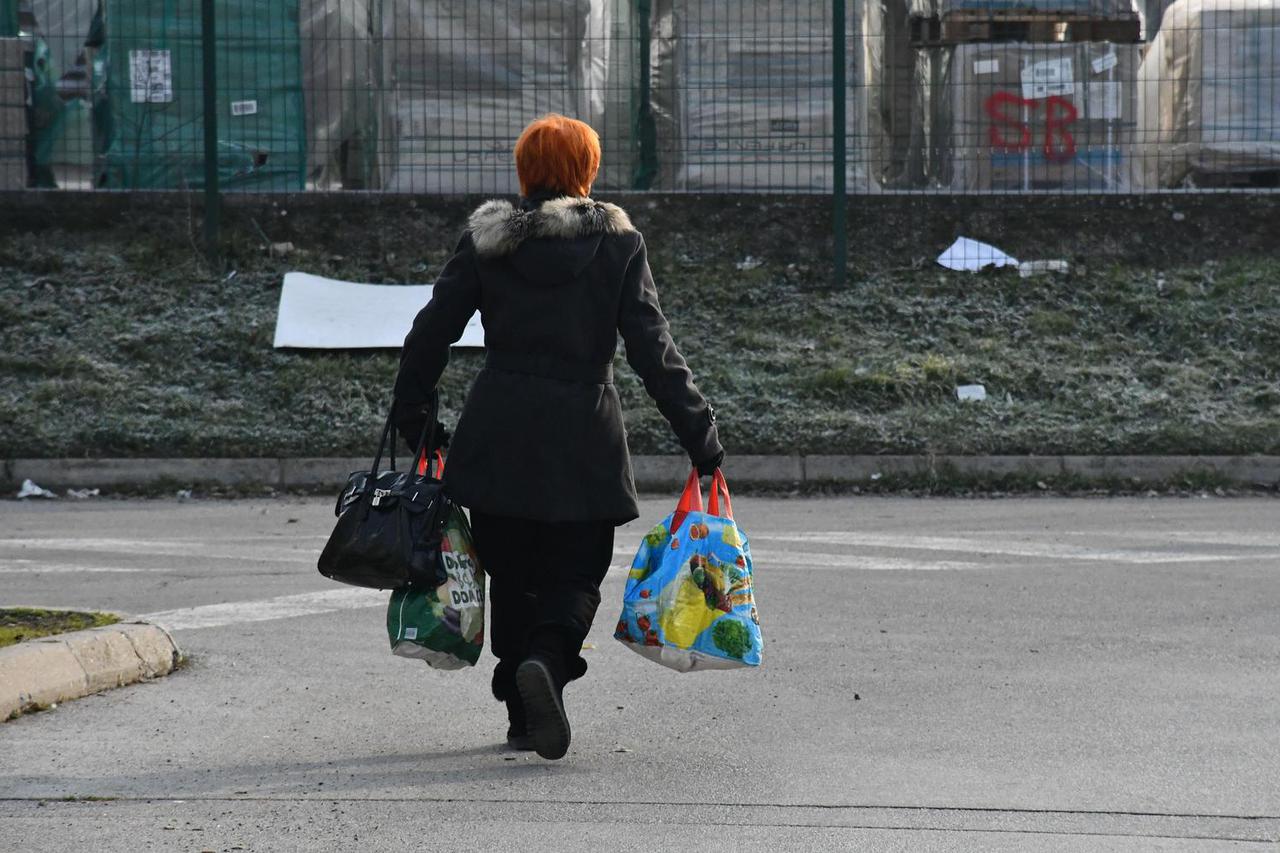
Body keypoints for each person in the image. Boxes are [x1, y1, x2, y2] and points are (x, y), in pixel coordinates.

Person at [392, 114, 723, 761]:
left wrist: (418, 420)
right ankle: (548, 659)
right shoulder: (618, 246)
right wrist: (701, 435)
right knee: (577, 572)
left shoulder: (487, 242)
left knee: (512, 574)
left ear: (525, 172)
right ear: (586, 171)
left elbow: (429, 333)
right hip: (584, 437)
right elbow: (653, 351)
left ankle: (522, 711)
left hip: (497, 434)